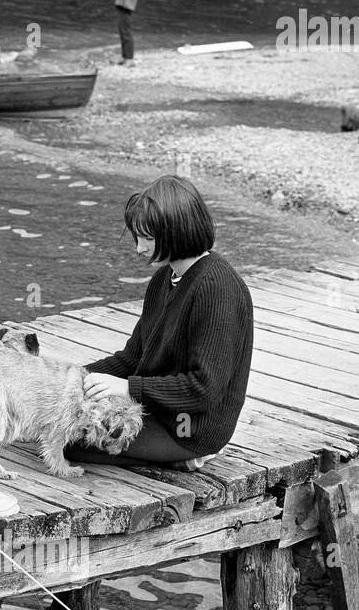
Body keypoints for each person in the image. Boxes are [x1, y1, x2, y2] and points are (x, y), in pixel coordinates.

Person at [69, 175, 254, 470]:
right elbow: (131, 359)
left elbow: (204, 388)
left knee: (66, 440)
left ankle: (188, 457)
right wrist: (72, 377)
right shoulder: (162, 279)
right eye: (137, 237)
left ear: (177, 232)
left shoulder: (218, 287)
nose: (139, 249)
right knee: (52, 420)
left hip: (189, 429)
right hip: (154, 410)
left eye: (147, 238)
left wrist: (130, 389)